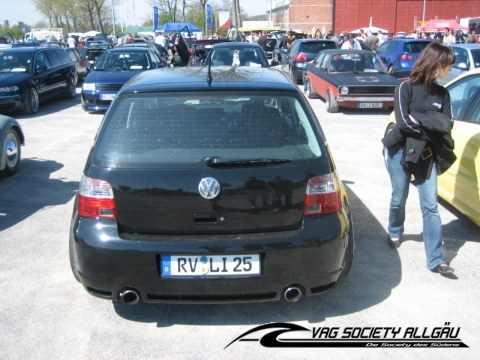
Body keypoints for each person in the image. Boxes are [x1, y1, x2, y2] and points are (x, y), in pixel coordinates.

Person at [381, 42, 456, 275]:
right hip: (399, 152)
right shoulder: (405, 88)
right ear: (436, 63)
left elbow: (447, 126)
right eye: (447, 65)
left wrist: (419, 119)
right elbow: (403, 124)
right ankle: (395, 229)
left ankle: (436, 259)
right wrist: (430, 121)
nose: (450, 70)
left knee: (430, 206)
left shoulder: (443, 94)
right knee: (398, 197)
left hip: (427, 154)